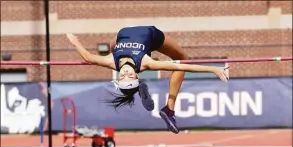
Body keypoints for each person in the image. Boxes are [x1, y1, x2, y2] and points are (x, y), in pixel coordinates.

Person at [66, 26, 229, 134]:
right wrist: (213, 68)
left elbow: (87, 56)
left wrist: (75, 41)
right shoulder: (145, 63)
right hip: (152, 35)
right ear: (136, 75)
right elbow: (181, 67)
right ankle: (169, 109)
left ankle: (139, 89)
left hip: (121, 35)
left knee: (112, 46)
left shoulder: (110, 61)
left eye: (122, 76)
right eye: (130, 76)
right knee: (182, 58)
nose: (126, 72)